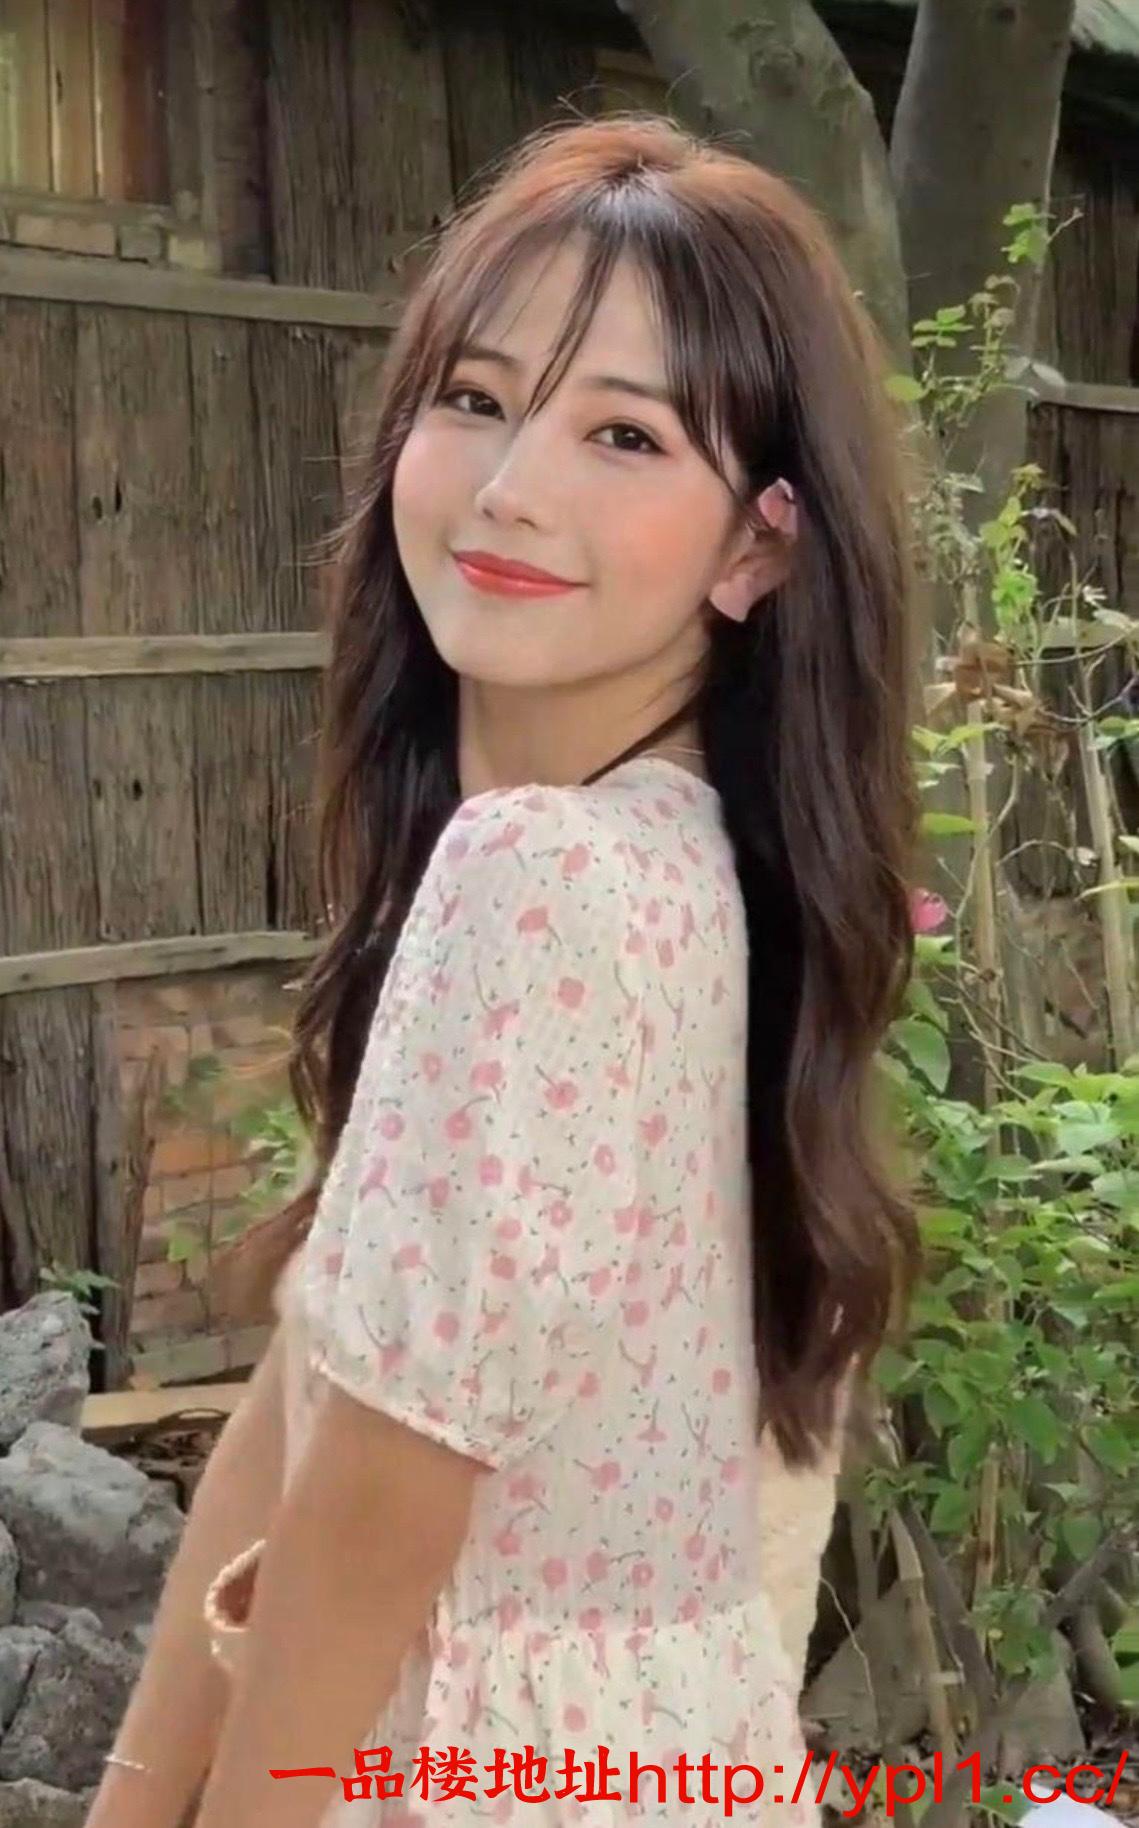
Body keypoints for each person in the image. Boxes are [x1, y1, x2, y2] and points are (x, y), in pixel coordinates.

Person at [87, 112, 922, 1828]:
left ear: (761, 543)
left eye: (623, 432)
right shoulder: (702, 874)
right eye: (475, 399)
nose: (511, 484)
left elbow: (366, 1522)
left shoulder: (542, 882)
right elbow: (306, 1408)